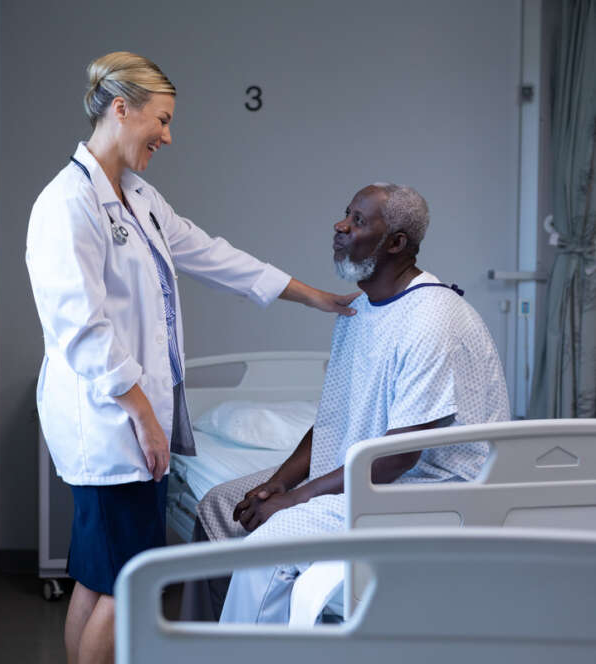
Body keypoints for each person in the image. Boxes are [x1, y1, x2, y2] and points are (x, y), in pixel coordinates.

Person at [25, 51, 356, 664]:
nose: (169, 137)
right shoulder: (65, 205)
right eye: (163, 120)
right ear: (121, 109)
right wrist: (145, 417)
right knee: (130, 582)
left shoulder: (139, 198)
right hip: (110, 423)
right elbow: (81, 328)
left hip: (125, 422)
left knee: (100, 577)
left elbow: (215, 256)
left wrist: (315, 298)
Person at [184, 183, 510, 625]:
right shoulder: (359, 313)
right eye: (346, 215)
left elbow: (398, 456)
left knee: (271, 543)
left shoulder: (432, 319)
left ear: (396, 243)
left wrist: (296, 500)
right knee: (221, 506)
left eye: (358, 220)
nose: (340, 226)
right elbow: (335, 418)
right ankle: (207, 648)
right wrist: (280, 483)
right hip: (365, 473)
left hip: (424, 492)